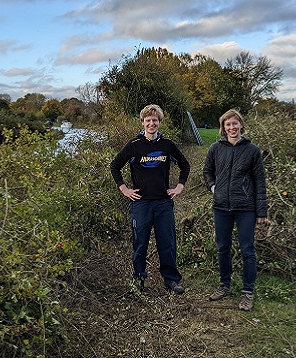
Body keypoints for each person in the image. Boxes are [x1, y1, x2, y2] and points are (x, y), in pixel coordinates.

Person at [110, 104, 190, 294]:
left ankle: (171, 280)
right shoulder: (134, 145)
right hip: (141, 203)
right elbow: (114, 166)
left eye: (155, 120)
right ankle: (138, 278)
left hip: (163, 202)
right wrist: (124, 189)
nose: (151, 123)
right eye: (148, 120)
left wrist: (179, 186)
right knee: (140, 241)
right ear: (143, 122)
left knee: (167, 241)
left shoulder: (167, 145)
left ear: (159, 122)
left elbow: (185, 165)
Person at [203, 109, 268, 311]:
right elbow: (207, 171)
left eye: (235, 124)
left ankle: (248, 292)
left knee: (247, 250)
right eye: (228, 124)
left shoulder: (252, 150)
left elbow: (260, 181)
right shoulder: (215, 148)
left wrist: (262, 211)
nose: (232, 127)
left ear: (241, 125)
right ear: (223, 128)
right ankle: (225, 285)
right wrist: (215, 189)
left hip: (245, 208)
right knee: (222, 248)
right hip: (221, 207)